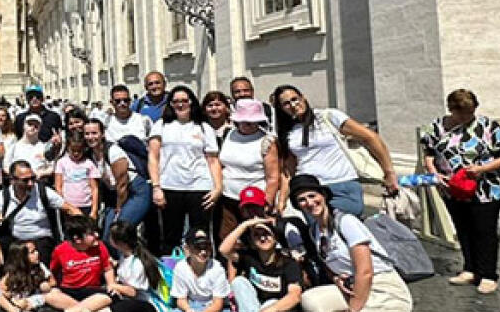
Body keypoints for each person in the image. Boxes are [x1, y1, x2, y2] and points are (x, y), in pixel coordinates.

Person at [290, 174, 448, 312]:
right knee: (311, 301)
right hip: (355, 289)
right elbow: (330, 264)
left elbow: (365, 271)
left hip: (385, 292)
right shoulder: (315, 230)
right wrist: (337, 278)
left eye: (312, 196)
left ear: (323, 195)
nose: (309, 203)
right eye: (302, 200)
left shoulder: (345, 222)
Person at [421, 89, 500, 294]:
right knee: (463, 228)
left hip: (486, 190)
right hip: (452, 189)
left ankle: (488, 274)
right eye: (461, 113)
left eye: (470, 113)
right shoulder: (436, 127)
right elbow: (429, 153)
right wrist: (434, 173)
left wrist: (482, 169)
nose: (466, 117)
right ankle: (470, 268)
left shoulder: (488, 127)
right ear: (451, 109)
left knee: (484, 231)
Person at [272, 84, 398, 216]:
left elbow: (370, 137)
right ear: (281, 108)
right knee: (321, 228)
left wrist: (389, 173)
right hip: (309, 191)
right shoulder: (288, 132)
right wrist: (282, 201)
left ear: (303, 98)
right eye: (286, 103)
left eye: (295, 99)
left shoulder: (328, 117)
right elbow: (289, 172)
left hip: (342, 184)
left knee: (346, 224)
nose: (293, 105)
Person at [148, 86, 222, 255]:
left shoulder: (203, 127)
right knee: (171, 236)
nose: (180, 105)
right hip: (170, 186)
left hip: (199, 186)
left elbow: (213, 160)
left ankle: (201, 266)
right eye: (175, 101)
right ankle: (171, 267)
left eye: (184, 101)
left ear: (191, 102)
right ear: (170, 104)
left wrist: (218, 188)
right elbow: (153, 157)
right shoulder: (161, 125)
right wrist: (156, 187)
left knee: (200, 234)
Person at [145, 227, 239, 312]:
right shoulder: (181, 267)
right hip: (192, 307)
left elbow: (218, 305)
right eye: (198, 247)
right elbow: (180, 299)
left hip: (214, 311)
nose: (203, 252)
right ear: (188, 249)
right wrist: (189, 311)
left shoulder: (216, 268)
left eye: (206, 247)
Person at [0, 160, 82, 268]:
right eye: (25, 180)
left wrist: (85, 227)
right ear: (13, 180)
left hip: (41, 240)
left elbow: (70, 209)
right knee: (0, 251)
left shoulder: (43, 191)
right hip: (17, 241)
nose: (31, 183)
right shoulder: (2, 197)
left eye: (33, 178)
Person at [42, 216, 117, 312]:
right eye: (91, 234)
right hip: (70, 291)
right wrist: (52, 285)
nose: (96, 235)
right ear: (77, 239)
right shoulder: (60, 250)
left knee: (106, 298)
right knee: (50, 296)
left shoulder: (100, 247)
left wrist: (111, 284)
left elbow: (108, 268)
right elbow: (54, 272)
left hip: (92, 291)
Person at [216, 99, 280, 241]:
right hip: (228, 198)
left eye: (252, 121)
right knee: (228, 239)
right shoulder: (228, 134)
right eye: (243, 121)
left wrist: (267, 203)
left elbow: (273, 177)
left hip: (255, 201)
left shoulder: (267, 141)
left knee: (257, 239)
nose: (247, 124)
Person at [0, 241, 53, 312]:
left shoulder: (40, 267)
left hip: (29, 299)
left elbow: (53, 282)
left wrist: (46, 285)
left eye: (36, 250)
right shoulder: (14, 271)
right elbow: (1, 287)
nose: (37, 253)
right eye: (32, 252)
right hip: (14, 299)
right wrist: (11, 297)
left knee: (44, 297)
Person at [54, 131, 101, 221]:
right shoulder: (61, 163)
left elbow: (94, 188)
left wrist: (94, 210)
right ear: (68, 148)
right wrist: (63, 204)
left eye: (79, 151)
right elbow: (58, 186)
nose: (76, 153)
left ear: (84, 149)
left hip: (86, 206)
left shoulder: (89, 164)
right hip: (68, 206)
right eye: (73, 150)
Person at [4, 114, 53, 180]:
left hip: (39, 181)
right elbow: (6, 166)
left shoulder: (44, 147)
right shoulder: (14, 146)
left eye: (36, 126)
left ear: (40, 128)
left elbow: (51, 167)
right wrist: (18, 176)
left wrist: (41, 173)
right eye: (29, 124)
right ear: (24, 126)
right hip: (19, 182)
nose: (32, 127)